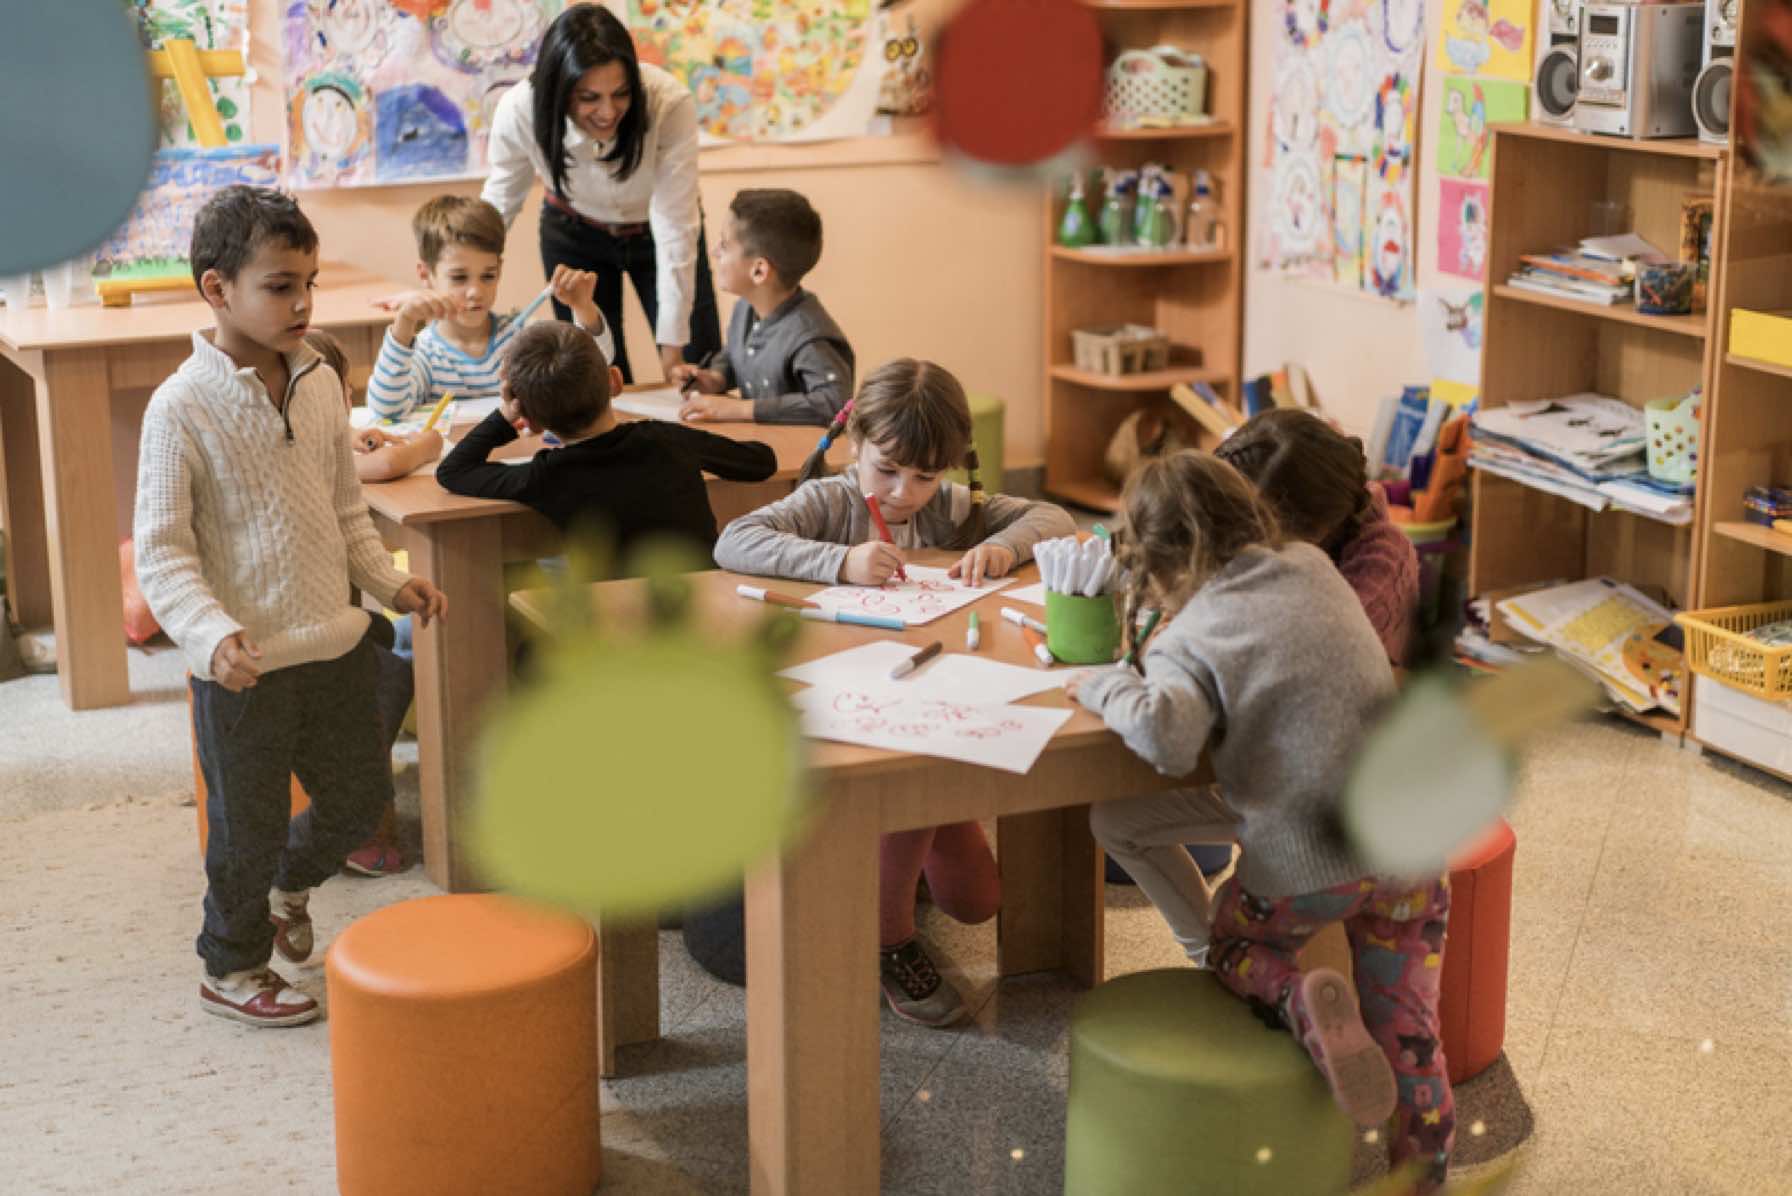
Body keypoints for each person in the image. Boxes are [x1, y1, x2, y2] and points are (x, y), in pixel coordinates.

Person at [1069, 451, 1451, 1191]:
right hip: (1410, 853)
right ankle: (1426, 1178)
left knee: (1234, 943)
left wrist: (1107, 684)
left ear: (1156, 562)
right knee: (1413, 1037)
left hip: (1305, 868)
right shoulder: (1312, 564)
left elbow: (1167, 739)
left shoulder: (1192, 635)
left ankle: (1293, 999)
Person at [134, 186, 447, 1026]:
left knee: (355, 803)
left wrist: (388, 583)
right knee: (246, 833)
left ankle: (290, 887)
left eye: (307, 281)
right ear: (217, 289)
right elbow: (163, 554)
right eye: (279, 285)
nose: (303, 301)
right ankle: (229, 968)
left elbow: (343, 510)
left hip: (335, 644)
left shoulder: (318, 384)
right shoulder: (180, 408)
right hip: (246, 669)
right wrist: (209, 633)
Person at [715, 359, 1075, 1026]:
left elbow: (1053, 519)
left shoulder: (952, 507)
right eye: (887, 470)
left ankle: (919, 831)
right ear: (855, 444)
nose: (906, 492)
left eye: (925, 475)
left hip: (933, 696)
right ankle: (888, 939)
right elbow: (733, 541)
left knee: (979, 902)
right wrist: (839, 561)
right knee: (912, 816)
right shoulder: (830, 502)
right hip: (843, 713)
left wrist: (1001, 547)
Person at [483, 3, 722, 385]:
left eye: (621, 94)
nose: (608, 112)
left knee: (700, 370)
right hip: (574, 233)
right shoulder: (520, 109)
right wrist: (456, 279)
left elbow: (674, 224)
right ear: (559, 90)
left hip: (656, 233)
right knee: (594, 377)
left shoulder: (667, 102)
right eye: (589, 97)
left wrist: (673, 350)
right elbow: (501, 200)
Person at [436, 321, 775, 556]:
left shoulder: (545, 475)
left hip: (615, 630)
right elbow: (762, 462)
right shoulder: (666, 438)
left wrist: (506, 415)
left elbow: (454, 471)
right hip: (700, 611)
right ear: (615, 381)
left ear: (532, 420)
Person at [303, 328, 433, 877]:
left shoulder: (317, 437)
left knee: (402, 639)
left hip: (335, 619)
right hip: (317, 632)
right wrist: (429, 443)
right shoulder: (312, 451)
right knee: (392, 661)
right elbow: (379, 468)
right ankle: (365, 825)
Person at [365, 194, 611, 421]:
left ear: (500, 270)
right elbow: (388, 408)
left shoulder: (523, 337)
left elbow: (593, 372)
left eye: (488, 276)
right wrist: (404, 325)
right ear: (426, 274)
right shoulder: (426, 354)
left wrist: (583, 307)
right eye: (459, 278)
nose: (476, 291)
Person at [1214, 408, 1419, 666]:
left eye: (1258, 533)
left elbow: (1302, 657)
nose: (1244, 543)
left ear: (1316, 530)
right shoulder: (1283, 536)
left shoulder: (1382, 561)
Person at [669, 188, 854, 426]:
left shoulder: (810, 337)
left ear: (759, 271)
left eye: (724, 245)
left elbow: (834, 403)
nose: (714, 252)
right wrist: (714, 379)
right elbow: (738, 356)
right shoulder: (745, 309)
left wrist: (742, 409)